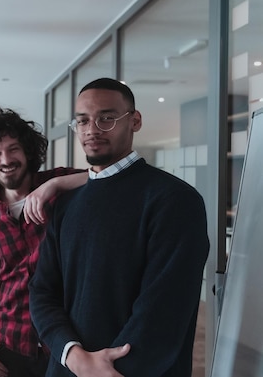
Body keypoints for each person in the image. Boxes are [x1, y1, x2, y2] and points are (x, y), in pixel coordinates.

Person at [29, 78, 210, 377]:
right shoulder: (66, 204)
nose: (92, 129)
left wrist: (101, 371)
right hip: (67, 368)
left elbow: (164, 312)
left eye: (107, 118)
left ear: (135, 121)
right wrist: (73, 356)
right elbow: (42, 291)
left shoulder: (175, 200)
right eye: (83, 120)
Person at [0, 107, 88, 377]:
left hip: (67, 338)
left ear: (28, 152)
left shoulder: (60, 187)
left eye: (13, 149)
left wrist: (54, 186)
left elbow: (106, 176)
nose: (6, 159)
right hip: (12, 338)